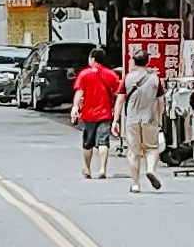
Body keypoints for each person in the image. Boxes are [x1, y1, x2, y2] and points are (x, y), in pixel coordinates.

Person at [120, 48, 170, 191]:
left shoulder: (127, 78)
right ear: (148, 62)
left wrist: (115, 120)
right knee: (152, 148)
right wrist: (159, 118)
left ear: (133, 62)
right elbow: (161, 101)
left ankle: (135, 184)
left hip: (132, 120)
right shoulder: (155, 79)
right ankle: (150, 170)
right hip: (149, 119)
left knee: (133, 153)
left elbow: (120, 99)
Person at [71, 51, 123, 177]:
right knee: (103, 142)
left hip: (88, 114)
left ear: (92, 58)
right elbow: (118, 92)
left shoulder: (84, 74)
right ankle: (102, 170)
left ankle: (88, 169)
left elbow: (79, 92)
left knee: (87, 144)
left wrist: (75, 107)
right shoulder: (111, 74)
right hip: (105, 113)